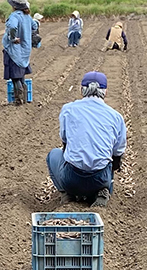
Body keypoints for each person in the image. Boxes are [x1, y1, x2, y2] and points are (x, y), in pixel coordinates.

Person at [47, 71, 127, 208]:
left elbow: (64, 140)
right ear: (105, 92)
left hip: (72, 178)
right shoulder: (116, 117)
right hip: (100, 178)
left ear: (82, 90)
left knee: (53, 155)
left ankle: (68, 193)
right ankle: (103, 190)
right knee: (111, 159)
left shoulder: (68, 110)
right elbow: (118, 152)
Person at [2, 0, 34, 106]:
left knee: (15, 77)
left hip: (14, 51)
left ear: (14, 6)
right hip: (25, 51)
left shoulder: (14, 16)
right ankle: (24, 99)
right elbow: (35, 26)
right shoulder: (27, 17)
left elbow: (12, 27)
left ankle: (18, 100)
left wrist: (12, 38)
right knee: (21, 76)